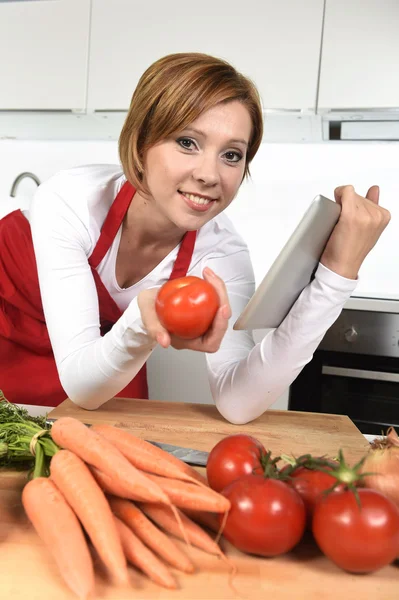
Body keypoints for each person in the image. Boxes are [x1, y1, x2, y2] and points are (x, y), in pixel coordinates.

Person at [0, 53, 390, 424]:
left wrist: (337, 276)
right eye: (187, 142)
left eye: (232, 155)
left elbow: (238, 402)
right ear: (140, 144)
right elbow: (79, 381)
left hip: (101, 361)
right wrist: (143, 320)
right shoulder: (71, 199)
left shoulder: (222, 254)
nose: (210, 174)